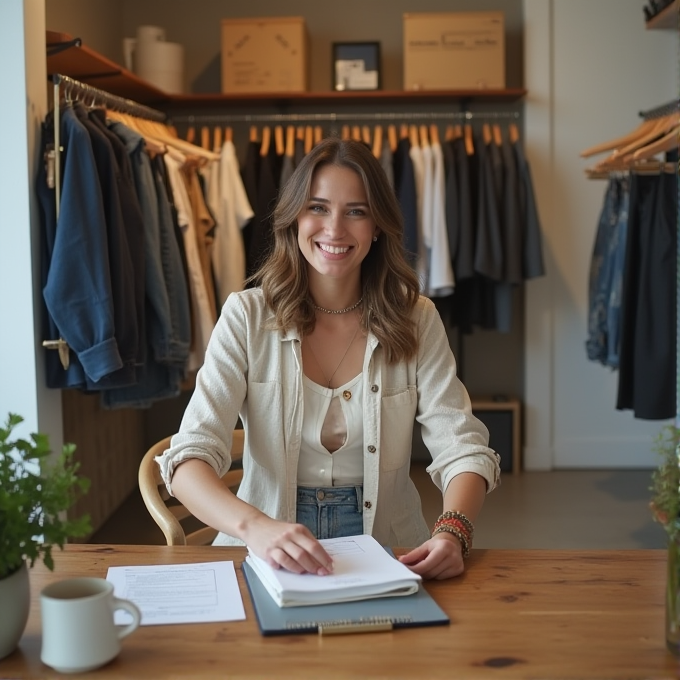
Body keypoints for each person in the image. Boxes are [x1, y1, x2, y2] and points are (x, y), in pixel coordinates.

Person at [157, 138, 500, 581]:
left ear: (377, 225)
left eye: (356, 211)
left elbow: (463, 448)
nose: (334, 229)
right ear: (294, 217)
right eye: (317, 207)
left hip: (392, 549)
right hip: (262, 549)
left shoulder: (416, 318)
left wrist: (454, 532)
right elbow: (187, 460)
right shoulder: (246, 316)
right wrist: (256, 527)